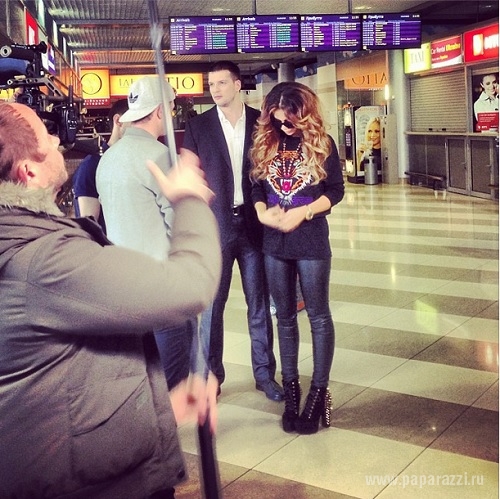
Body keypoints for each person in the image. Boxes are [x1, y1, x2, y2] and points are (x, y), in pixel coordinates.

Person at [0, 101, 221, 498]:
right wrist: (189, 200)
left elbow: (55, 380)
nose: (56, 139)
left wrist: (161, 410)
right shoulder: (41, 259)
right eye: (46, 137)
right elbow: (191, 285)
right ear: (27, 171)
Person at [182, 61, 283, 401]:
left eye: (222, 83)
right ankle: (211, 378)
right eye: (211, 84)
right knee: (213, 307)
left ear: (238, 85)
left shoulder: (261, 122)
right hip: (216, 227)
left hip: (254, 225)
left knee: (259, 305)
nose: (215, 89)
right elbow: (190, 174)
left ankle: (264, 375)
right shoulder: (198, 126)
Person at [249, 81, 344, 434]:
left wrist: (304, 212)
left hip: (311, 238)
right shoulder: (266, 142)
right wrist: (262, 212)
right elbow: (256, 187)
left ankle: (318, 393)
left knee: (318, 316)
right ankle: (292, 391)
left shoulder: (323, 144)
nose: (284, 126)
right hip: (275, 241)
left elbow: (336, 191)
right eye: (278, 120)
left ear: (305, 114)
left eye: (290, 120)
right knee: (285, 318)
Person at [96, 76, 198, 392]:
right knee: (174, 373)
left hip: (124, 282)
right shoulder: (160, 156)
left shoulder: (108, 158)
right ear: (158, 112)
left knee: (142, 370)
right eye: (171, 108)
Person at [72, 98, 129, 232]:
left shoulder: (132, 161)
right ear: (118, 121)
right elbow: (89, 225)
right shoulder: (92, 164)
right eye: (135, 121)